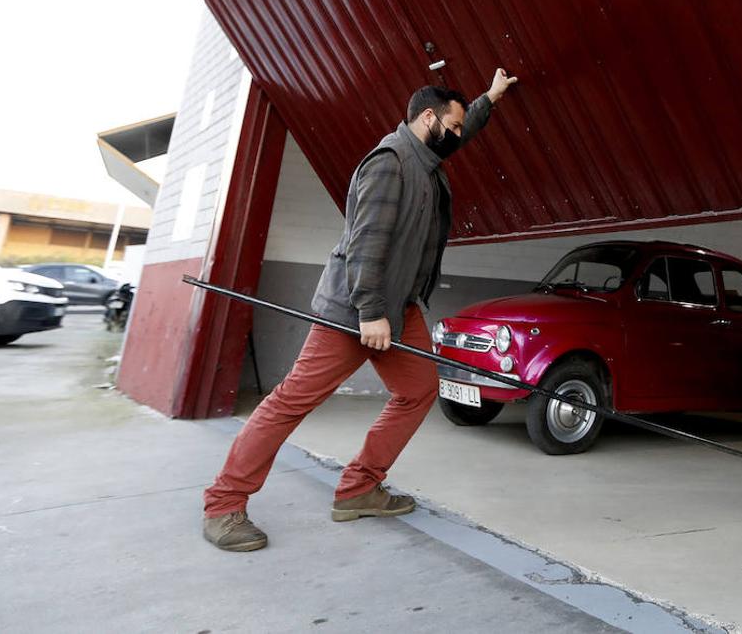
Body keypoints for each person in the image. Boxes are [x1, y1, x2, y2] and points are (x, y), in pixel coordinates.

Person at [202, 69, 518, 551]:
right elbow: (366, 245)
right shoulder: (390, 164)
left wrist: (489, 98)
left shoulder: (426, 158)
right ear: (427, 118)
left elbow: (464, 128)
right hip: (354, 310)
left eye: (459, 128)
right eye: (451, 127)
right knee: (292, 402)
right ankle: (224, 505)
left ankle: (359, 489)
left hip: (399, 307)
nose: (458, 136)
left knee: (417, 389)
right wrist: (370, 312)